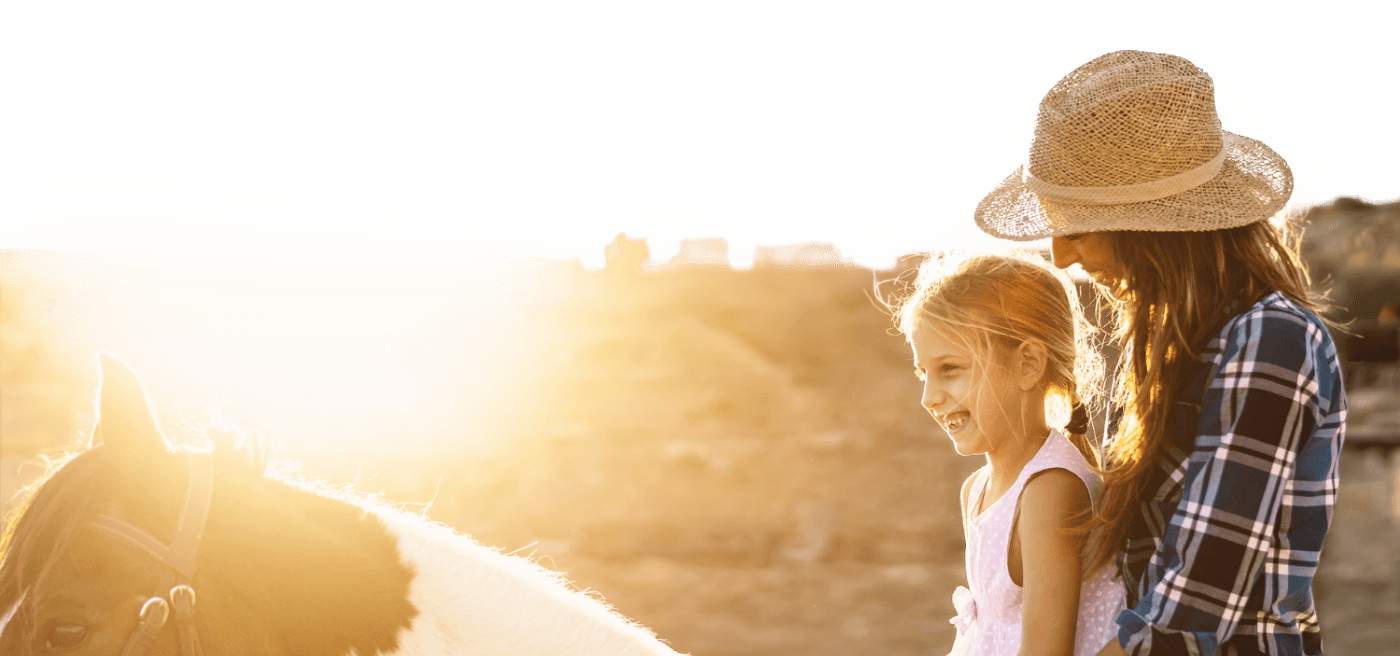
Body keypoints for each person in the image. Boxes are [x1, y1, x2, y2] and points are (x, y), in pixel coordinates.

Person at [972, 50, 1346, 656]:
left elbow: (1198, 596)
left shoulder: (1271, 342)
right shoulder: (1150, 353)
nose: (1061, 255)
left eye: (1079, 228)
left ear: (1152, 230)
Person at [894, 251, 1126, 656]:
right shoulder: (976, 489)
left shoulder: (1050, 491)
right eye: (922, 374)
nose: (928, 397)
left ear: (1028, 364)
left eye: (949, 368)